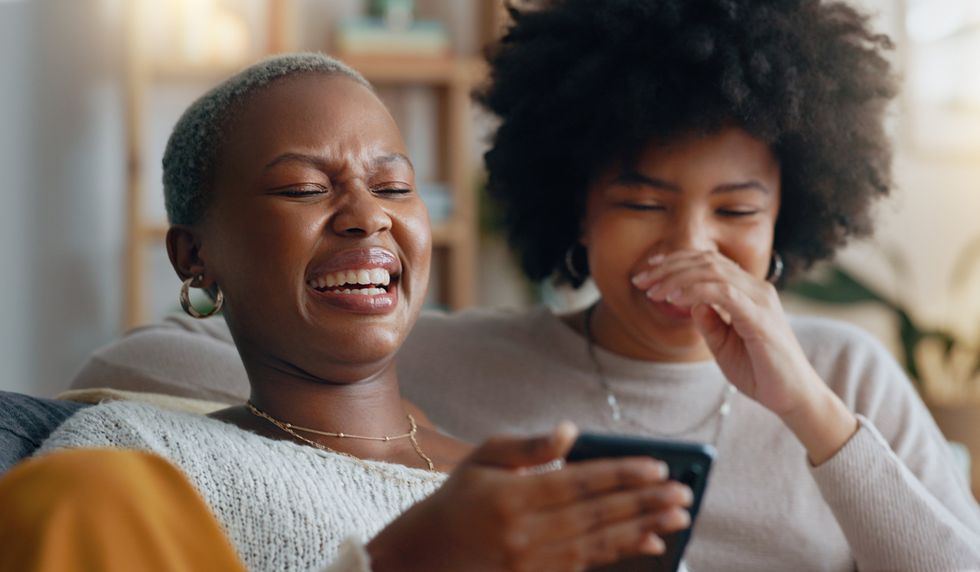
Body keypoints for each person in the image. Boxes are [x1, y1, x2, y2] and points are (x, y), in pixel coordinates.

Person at [63, 1, 980, 570]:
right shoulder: (454, 362)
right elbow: (189, 369)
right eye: (641, 203)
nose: (689, 246)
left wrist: (810, 408)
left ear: (793, 216)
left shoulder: (843, 377)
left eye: (736, 212)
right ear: (575, 210)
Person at [22, 53, 696, 572]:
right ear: (195, 256)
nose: (369, 215)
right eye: (304, 188)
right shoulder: (139, 455)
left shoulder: (537, 494)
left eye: (394, 186)